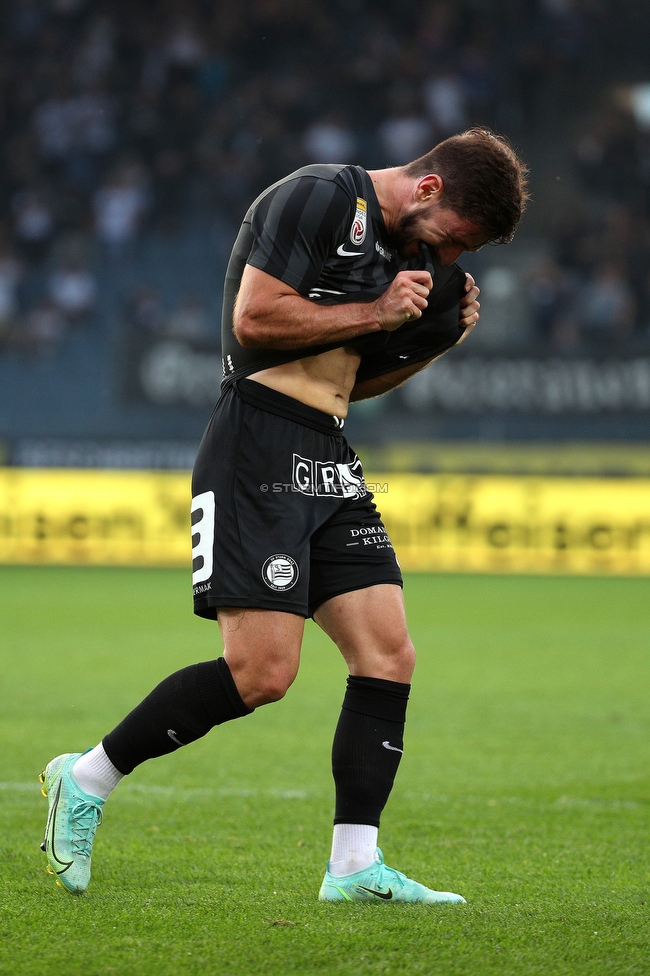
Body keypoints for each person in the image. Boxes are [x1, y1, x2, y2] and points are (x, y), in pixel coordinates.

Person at [40, 127, 528, 903]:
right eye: (458, 239)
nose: (454, 259)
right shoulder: (319, 196)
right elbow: (255, 323)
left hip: (327, 450)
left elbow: (344, 384)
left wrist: (432, 342)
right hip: (256, 445)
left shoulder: (403, 259)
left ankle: (354, 867)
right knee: (262, 674)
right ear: (429, 190)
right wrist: (378, 312)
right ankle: (87, 777)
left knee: (388, 654)